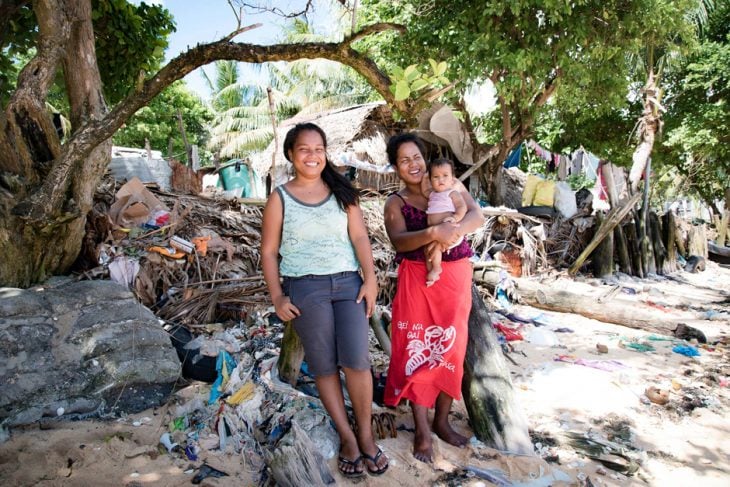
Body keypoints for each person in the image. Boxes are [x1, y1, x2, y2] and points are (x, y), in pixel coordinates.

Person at [261, 123, 389, 478]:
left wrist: (371, 279)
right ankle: (347, 437)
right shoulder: (280, 198)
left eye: (318, 149)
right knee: (324, 366)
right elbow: (269, 252)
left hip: (349, 284)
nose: (312, 155)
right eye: (304, 149)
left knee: (358, 361)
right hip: (306, 288)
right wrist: (277, 295)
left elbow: (360, 237)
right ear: (291, 154)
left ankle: (365, 433)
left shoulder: (342, 192)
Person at [382, 133, 485, 463]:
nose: (413, 164)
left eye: (416, 157)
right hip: (416, 279)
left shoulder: (449, 183)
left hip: (455, 276)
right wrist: (432, 233)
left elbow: (476, 215)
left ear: (425, 159)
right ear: (395, 166)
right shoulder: (394, 202)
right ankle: (422, 430)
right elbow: (399, 241)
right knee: (416, 346)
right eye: (403, 160)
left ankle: (441, 421)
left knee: (450, 346)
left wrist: (453, 229)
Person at [421, 157, 467, 286]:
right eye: (435, 177)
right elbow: (424, 190)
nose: (440, 180)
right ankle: (431, 272)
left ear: (452, 179)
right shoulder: (432, 194)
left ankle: (437, 269)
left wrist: (455, 218)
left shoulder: (452, 193)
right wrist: (426, 176)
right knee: (427, 250)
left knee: (435, 250)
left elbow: (462, 207)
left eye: (445, 176)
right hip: (436, 232)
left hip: (449, 230)